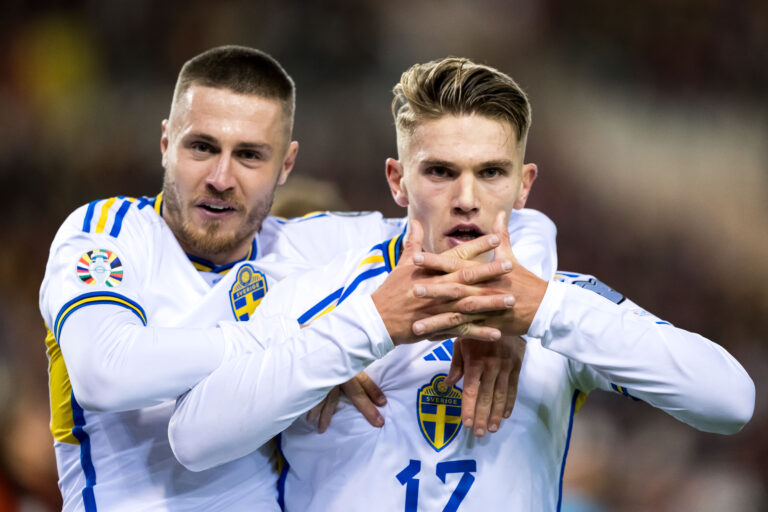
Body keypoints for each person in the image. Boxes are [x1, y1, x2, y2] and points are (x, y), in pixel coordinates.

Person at [167, 57, 756, 511]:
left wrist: (541, 310)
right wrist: (359, 333)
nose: (467, 198)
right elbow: (192, 439)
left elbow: (730, 400)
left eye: (491, 172)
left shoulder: (561, 305)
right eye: (441, 171)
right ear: (398, 180)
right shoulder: (319, 298)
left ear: (523, 185)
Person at [39, 46, 555, 511]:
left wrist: (505, 319)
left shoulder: (306, 245)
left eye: (249, 155)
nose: (221, 177)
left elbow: (509, 223)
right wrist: (307, 341)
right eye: (201, 147)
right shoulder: (109, 235)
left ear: (286, 165)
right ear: (166, 142)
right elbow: (105, 373)